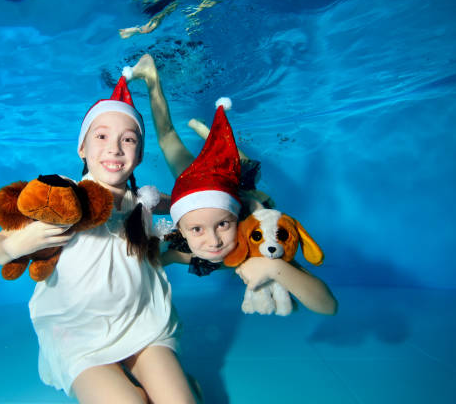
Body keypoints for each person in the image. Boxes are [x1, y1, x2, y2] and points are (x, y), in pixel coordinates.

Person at [0, 75, 200, 403]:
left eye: (128, 140)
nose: (114, 148)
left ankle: (179, 385)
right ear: (82, 147)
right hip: (78, 336)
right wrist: (20, 244)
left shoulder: (144, 199)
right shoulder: (62, 196)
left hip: (141, 323)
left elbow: (187, 204)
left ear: (140, 154)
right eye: (101, 136)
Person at [125, 54, 337, 315]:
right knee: (174, 141)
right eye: (197, 230)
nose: (213, 242)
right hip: (201, 189)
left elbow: (329, 306)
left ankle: (207, 132)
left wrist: (273, 267)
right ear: (180, 230)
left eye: (224, 225)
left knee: (239, 168)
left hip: (231, 194)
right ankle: (154, 80)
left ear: (238, 220)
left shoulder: (260, 239)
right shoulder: (186, 250)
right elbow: (145, 263)